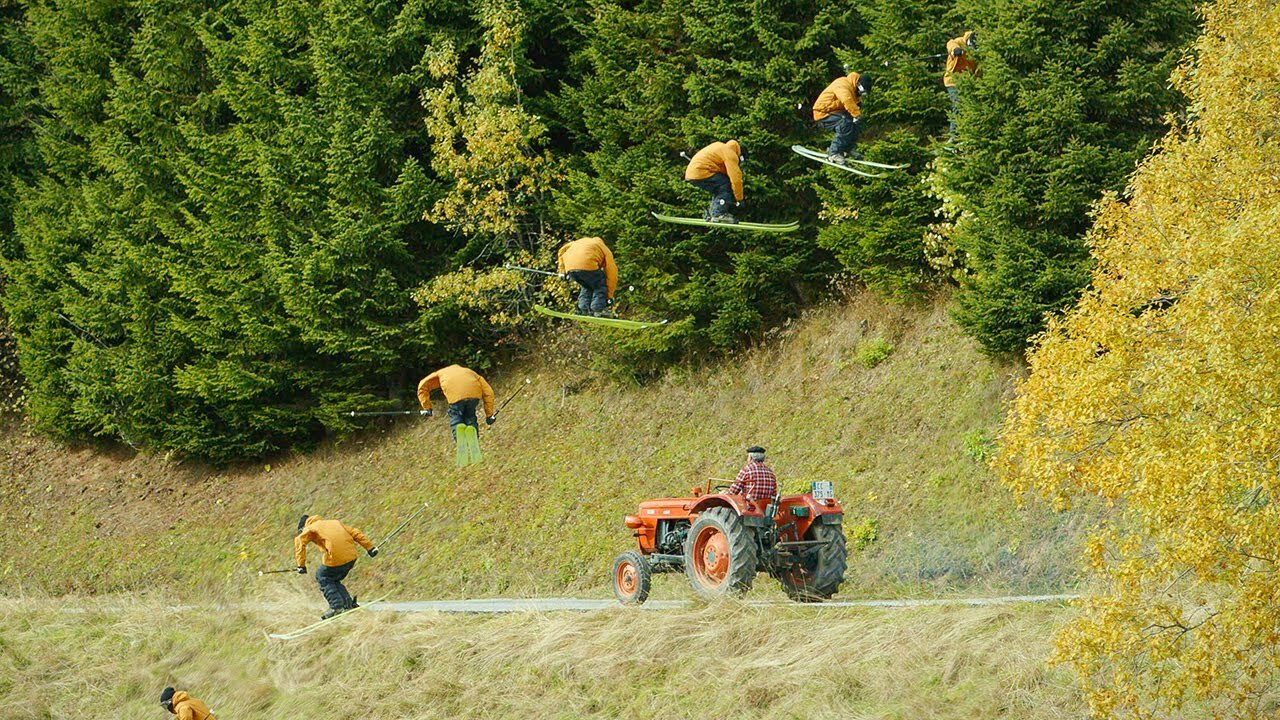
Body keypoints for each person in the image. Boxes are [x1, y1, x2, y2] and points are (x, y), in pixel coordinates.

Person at [294, 514, 377, 619]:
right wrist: (370, 548)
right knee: (333, 579)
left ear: (303, 528)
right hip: (351, 557)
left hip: (337, 556)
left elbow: (299, 541)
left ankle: (336, 606)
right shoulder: (334, 523)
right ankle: (348, 604)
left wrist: (300, 565)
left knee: (322, 576)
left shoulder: (310, 528)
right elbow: (355, 533)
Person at [417, 364, 497, 439]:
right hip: (474, 396)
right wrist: (489, 415)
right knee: (470, 416)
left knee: (455, 415)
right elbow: (488, 392)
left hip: (456, 397)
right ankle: (474, 437)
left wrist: (427, 408)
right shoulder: (470, 372)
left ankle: (459, 439)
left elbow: (422, 386)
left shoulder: (440, 373)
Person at [812, 71, 874, 164]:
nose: (861, 95)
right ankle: (833, 153)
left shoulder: (853, 90)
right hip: (822, 113)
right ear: (858, 85)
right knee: (845, 123)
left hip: (833, 112)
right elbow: (846, 99)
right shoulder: (843, 84)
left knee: (855, 125)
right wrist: (856, 114)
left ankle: (847, 149)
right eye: (862, 92)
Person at [684, 140, 746, 224]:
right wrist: (740, 199)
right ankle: (718, 214)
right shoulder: (731, 154)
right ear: (740, 155)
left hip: (692, 173)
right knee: (726, 184)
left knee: (719, 189)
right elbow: (736, 179)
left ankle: (712, 214)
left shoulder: (721, 146)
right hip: (701, 171)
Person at [556, 237, 619, 318]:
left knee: (587, 285)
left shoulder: (577, 242)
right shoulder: (603, 248)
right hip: (587, 265)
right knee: (599, 285)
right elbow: (612, 274)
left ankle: (583, 308)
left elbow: (561, 251)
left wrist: (562, 271)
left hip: (570, 268)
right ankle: (598, 309)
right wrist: (609, 296)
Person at [944, 31, 977, 139]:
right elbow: (950, 44)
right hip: (953, 80)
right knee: (958, 103)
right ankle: (954, 136)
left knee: (970, 105)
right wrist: (955, 50)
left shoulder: (976, 52)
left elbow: (977, 70)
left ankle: (967, 133)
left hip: (967, 81)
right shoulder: (959, 42)